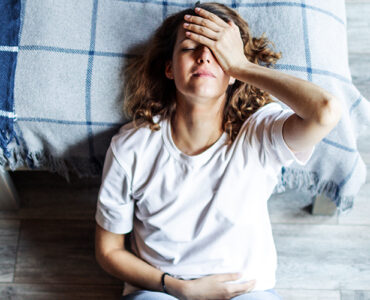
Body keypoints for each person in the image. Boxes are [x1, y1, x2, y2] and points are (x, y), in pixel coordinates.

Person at [94, 2, 342, 300]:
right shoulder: (131, 149)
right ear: (170, 69)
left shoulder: (260, 134)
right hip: (160, 291)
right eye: (189, 48)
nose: (203, 56)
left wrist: (242, 66)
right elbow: (108, 250)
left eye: (218, 51)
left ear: (234, 72)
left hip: (248, 292)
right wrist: (178, 287)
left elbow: (325, 112)